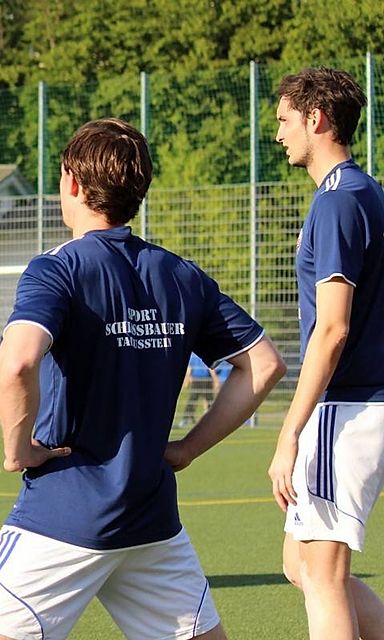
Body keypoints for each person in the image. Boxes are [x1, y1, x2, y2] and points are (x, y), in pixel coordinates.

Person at [0, 118, 286, 640]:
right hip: (150, 519)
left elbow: (16, 362)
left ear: (73, 184)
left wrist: (18, 450)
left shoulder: (57, 268)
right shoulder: (182, 274)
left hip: (63, 514)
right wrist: (188, 449)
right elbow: (264, 364)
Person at [269, 67, 384, 639]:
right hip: (358, 403)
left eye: (286, 120)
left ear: (316, 119)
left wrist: (290, 431)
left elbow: (332, 329)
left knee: (323, 573)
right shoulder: (363, 193)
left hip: (348, 406)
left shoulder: (340, 201)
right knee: (301, 564)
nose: (279, 133)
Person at [179, 352, 220, 428]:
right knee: (192, 400)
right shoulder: (194, 355)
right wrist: (188, 378)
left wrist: (215, 379)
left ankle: (214, 419)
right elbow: (190, 367)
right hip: (197, 379)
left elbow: (210, 367)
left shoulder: (202, 353)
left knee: (209, 400)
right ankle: (186, 419)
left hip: (205, 379)